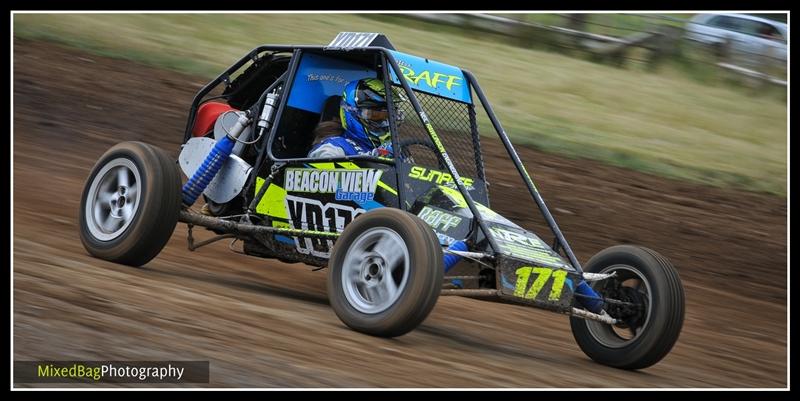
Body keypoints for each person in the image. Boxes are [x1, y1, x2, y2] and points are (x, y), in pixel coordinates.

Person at [308, 78, 397, 159]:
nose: (383, 122)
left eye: (386, 116)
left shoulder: (390, 149)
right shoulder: (334, 146)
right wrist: (374, 158)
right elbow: (323, 170)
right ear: (353, 113)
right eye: (374, 115)